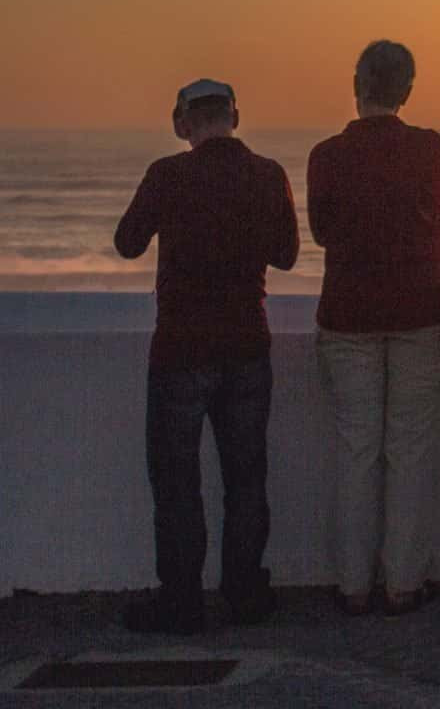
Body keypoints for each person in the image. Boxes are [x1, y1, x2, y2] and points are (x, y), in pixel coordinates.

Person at [114, 79, 299, 635]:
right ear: (235, 117)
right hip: (246, 345)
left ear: (181, 123)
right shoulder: (268, 174)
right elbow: (287, 256)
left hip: (180, 350)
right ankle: (244, 594)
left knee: (176, 482)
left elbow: (127, 242)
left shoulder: (167, 175)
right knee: (245, 477)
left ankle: (182, 601)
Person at [308, 40, 440, 617]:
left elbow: (321, 231)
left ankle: (352, 586)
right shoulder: (428, 147)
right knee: (410, 451)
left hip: (348, 315)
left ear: (356, 84)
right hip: (420, 313)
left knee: (357, 451)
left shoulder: (326, 155)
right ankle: (403, 585)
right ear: (408, 90)